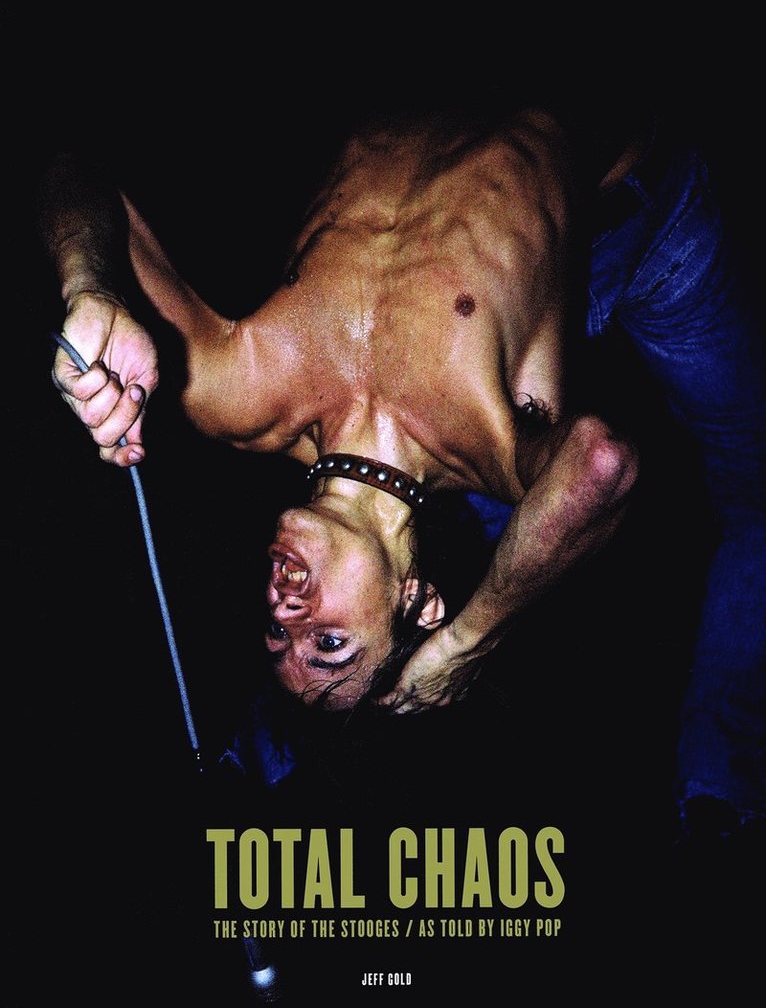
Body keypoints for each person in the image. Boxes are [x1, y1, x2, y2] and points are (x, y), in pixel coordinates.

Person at [37, 97, 765, 837]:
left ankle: (294, 738)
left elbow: (73, 171)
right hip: (643, 216)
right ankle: (719, 802)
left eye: (276, 636)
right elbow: (602, 464)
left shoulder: (242, 399)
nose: (285, 614)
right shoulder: (488, 443)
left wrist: (88, 288)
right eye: (328, 643)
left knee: (500, 536)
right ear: (418, 601)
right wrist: (467, 642)